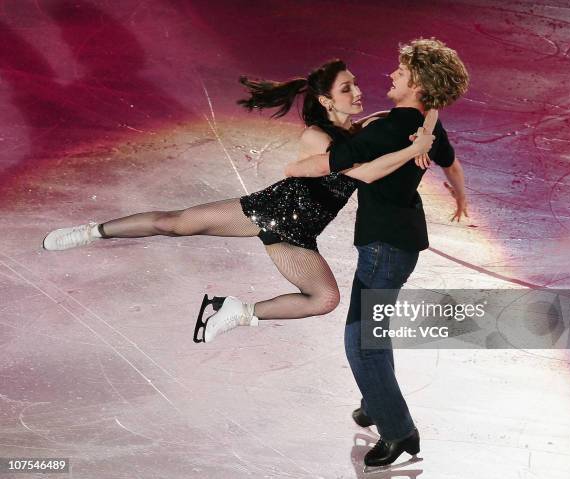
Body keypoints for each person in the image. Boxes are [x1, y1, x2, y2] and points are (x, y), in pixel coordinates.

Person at [42, 59, 437, 342]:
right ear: (327, 101)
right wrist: (413, 148)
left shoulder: (369, 128)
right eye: (346, 87)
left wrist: (424, 132)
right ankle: (91, 231)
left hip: (297, 234)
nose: (358, 90)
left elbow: (425, 109)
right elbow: (365, 173)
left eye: (354, 83)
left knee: (325, 299)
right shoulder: (317, 136)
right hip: (267, 211)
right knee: (173, 224)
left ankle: (240, 311)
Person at [285, 39, 470, 470]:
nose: (391, 75)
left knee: (362, 345)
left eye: (402, 73)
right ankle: (375, 400)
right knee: (372, 333)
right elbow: (452, 163)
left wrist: (292, 167)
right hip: (398, 244)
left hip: (384, 247)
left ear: (419, 84)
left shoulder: (386, 131)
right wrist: (460, 199)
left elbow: (330, 161)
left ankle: (399, 431)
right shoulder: (424, 123)